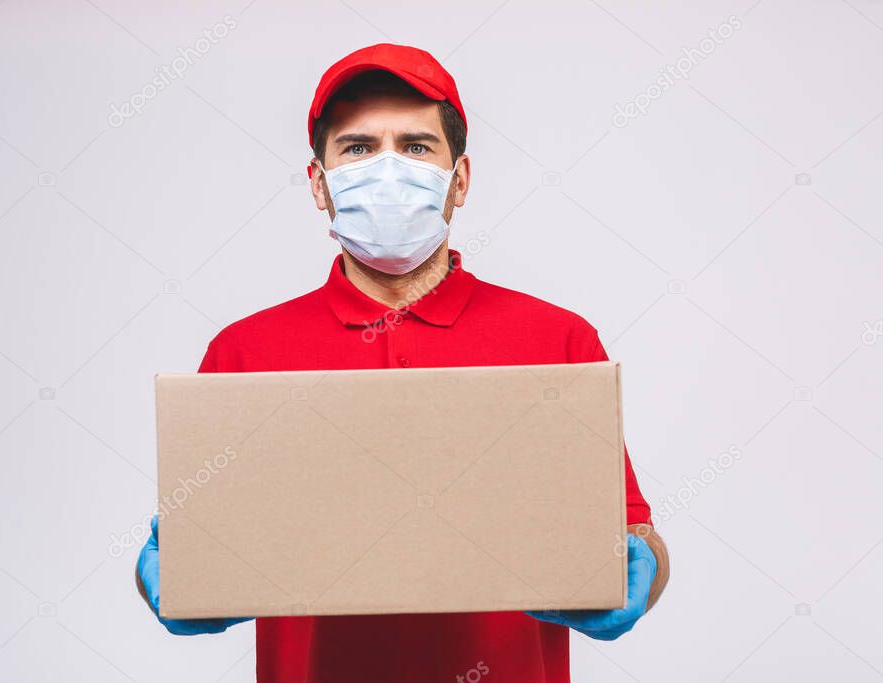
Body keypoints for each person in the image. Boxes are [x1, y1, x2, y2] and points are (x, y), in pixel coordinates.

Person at [136, 43, 669, 682]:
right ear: (318, 183)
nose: (387, 169)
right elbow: (203, 558)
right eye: (358, 149)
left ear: (460, 179)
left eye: (416, 147)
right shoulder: (245, 354)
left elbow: (637, 535)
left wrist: (635, 561)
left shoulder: (557, 341)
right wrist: (176, 572)